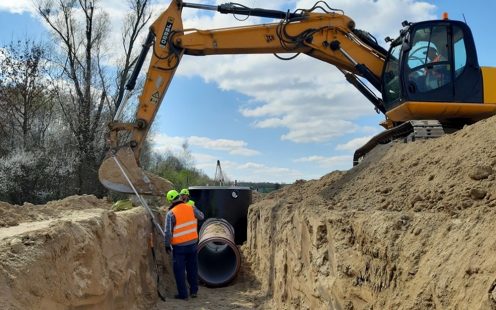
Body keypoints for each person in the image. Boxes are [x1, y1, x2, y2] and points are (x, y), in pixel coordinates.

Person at [164, 189, 205, 300]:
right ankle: (194, 291)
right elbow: (201, 216)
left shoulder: (171, 213)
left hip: (179, 247)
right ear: (179, 197)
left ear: (170, 201)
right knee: (192, 268)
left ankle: (183, 294)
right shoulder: (191, 207)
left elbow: (168, 233)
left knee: (179, 271)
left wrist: (167, 245)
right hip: (192, 244)